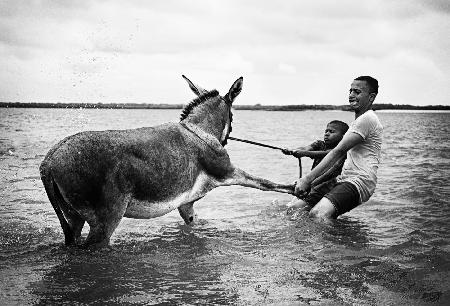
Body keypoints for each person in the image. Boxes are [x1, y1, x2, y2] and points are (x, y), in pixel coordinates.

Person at [294, 76, 383, 221]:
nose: (351, 95)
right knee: (296, 209)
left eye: (357, 92)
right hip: (343, 178)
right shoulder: (358, 121)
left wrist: (307, 180)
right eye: (350, 91)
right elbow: (341, 157)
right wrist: (313, 183)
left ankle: (339, 243)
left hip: (359, 181)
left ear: (371, 97)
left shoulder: (368, 119)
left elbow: (338, 152)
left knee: (317, 215)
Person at [282, 120, 349, 211]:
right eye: (326, 131)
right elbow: (305, 148)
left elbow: (324, 154)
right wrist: (292, 150)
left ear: (343, 137)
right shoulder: (319, 144)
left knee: (294, 209)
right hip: (312, 186)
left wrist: (304, 153)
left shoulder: (341, 152)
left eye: (331, 132)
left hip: (327, 188)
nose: (327, 134)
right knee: (294, 209)